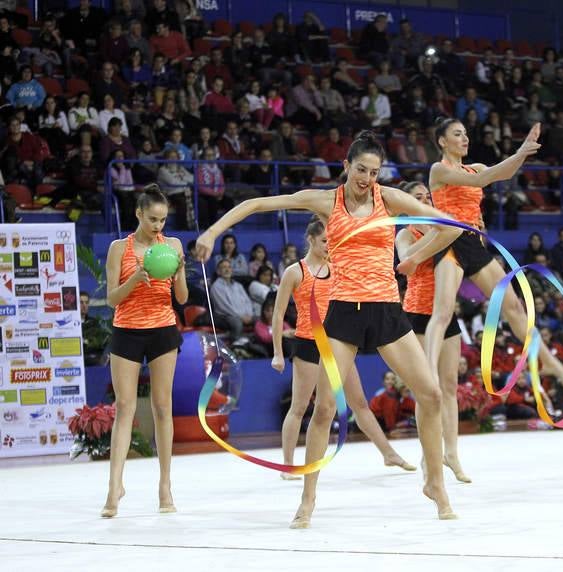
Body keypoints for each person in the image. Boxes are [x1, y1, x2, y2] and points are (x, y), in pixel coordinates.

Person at [196, 131, 461, 528]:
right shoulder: (326, 201)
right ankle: (308, 499)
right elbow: (258, 203)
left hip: (387, 310)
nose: (367, 178)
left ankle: (435, 484)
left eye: (373, 172)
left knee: (432, 393)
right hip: (343, 315)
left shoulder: (388, 198)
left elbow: (451, 227)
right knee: (323, 410)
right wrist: (213, 232)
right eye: (360, 169)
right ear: (345, 167)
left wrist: (411, 260)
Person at [424, 118, 563, 406]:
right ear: (443, 141)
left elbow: (499, 174)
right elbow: (480, 181)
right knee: (443, 312)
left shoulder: (477, 166)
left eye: (466, 133)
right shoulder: (438, 170)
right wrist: (519, 152)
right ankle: (428, 370)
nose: (465, 138)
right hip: (449, 242)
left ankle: (550, 364)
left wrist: (522, 153)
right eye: (458, 134)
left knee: (515, 307)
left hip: (475, 243)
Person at [271, 219, 415, 480]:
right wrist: (278, 353)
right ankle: (289, 464)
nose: (329, 245)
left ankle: (388, 453)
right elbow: (279, 313)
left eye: (331, 240)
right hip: (308, 343)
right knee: (300, 407)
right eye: (325, 240)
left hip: (339, 342)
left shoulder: (337, 268)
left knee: (359, 403)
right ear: (311, 239)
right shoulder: (295, 272)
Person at [102, 187, 188, 517]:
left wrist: (179, 271)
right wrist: (137, 277)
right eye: (152, 219)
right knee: (124, 407)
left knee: (162, 406)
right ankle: (114, 487)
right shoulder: (118, 249)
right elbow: (112, 299)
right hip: (127, 331)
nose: (158, 226)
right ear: (138, 214)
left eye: (163, 220)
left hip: (163, 329)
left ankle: (165, 485)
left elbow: (180, 299)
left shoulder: (173, 246)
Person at [395, 182, 469, 482]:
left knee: (450, 385)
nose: (425, 201)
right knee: (428, 389)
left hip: (445, 314)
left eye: (427, 197)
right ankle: (429, 455)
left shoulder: (444, 227)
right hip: (418, 315)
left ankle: (451, 452)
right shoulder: (404, 233)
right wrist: (433, 233)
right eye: (417, 198)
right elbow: (407, 261)